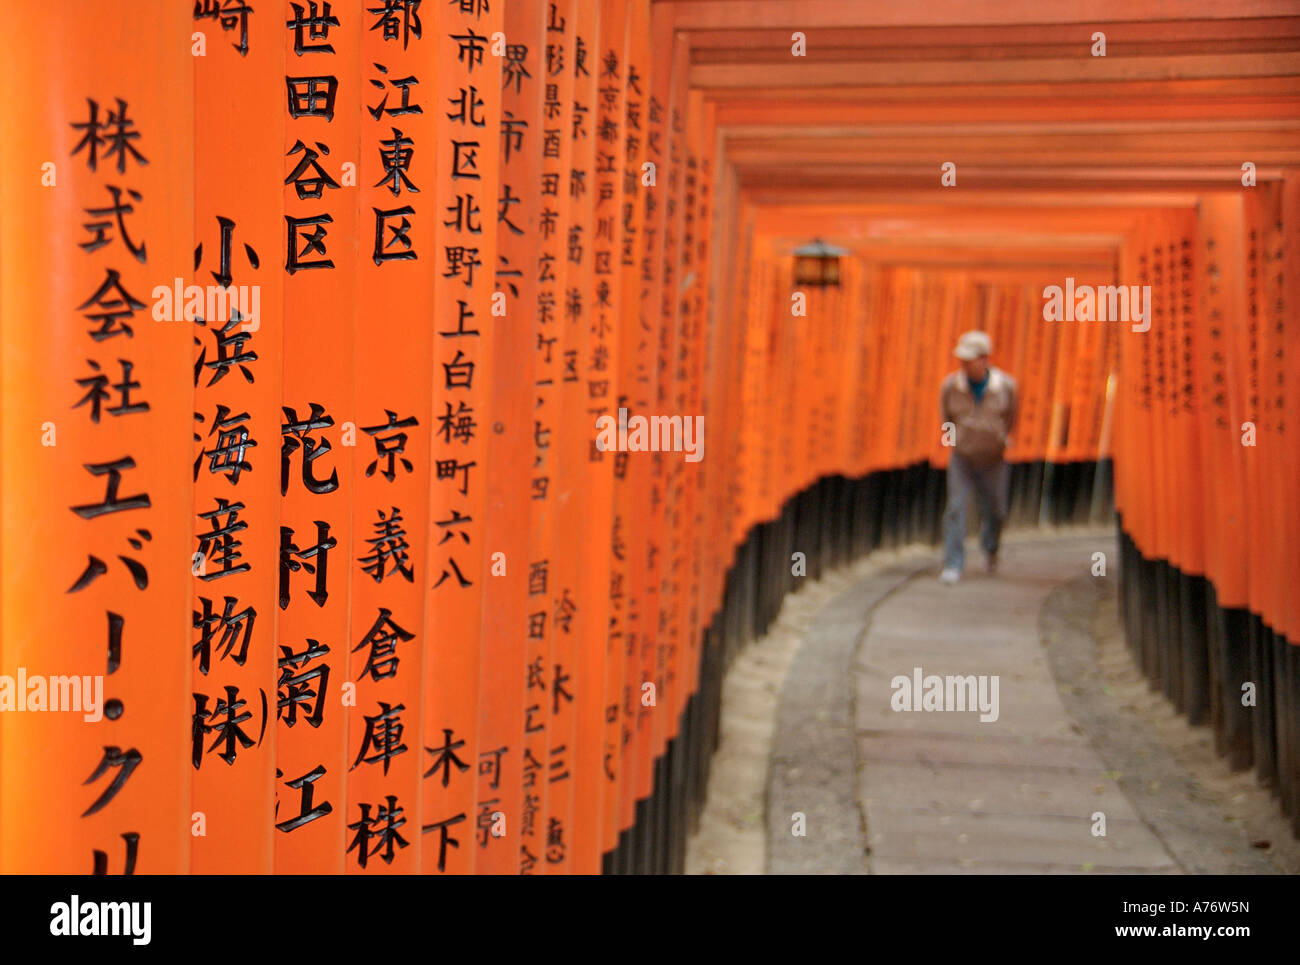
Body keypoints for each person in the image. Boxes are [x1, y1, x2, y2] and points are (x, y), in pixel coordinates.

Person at [938, 330, 1017, 584]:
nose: (964, 363)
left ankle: (991, 548)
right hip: (962, 456)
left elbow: (1011, 418)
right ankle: (953, 563)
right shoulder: (951, 386)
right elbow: (946, 418)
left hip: (994, 458)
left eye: (970, 358)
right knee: (955, 508)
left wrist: (1001, 440)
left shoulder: (1005, 386)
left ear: (984, 359)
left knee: (996, 509)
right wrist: (954, 442)